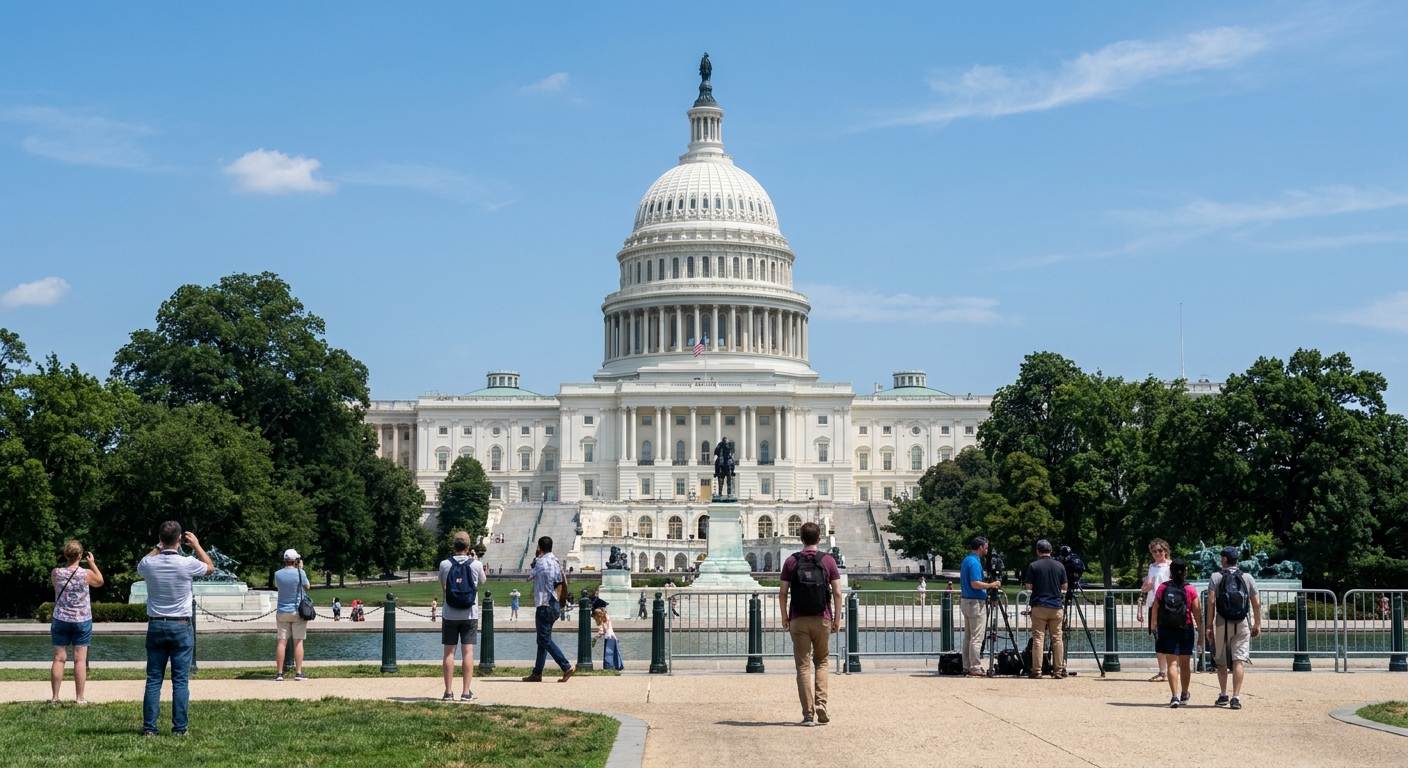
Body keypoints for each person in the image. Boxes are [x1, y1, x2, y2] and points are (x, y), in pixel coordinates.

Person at [137, 522, 214, 737]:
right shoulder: (187, 563)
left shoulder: (149, 564)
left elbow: (143, 563)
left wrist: (158, 546)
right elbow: (210, 568)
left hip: (155, 623)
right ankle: (180, 728)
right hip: (180, 624)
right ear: (180, 539)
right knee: (180, 681)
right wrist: (197, 545)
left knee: (154, 679)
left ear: (160, 539)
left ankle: (150, 728)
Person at [779, 522, 843, 725]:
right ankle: (821, 704)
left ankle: (807, 715)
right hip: (822, 617)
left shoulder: (791, 561)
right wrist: (837, 619)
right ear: (819, 539)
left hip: (798, 618)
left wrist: (784, 617)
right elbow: (838, 593)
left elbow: (782, 594)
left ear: (800, 539)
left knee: (803, 667)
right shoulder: (828, 561)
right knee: (822, 661)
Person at [50, 540, 104, 704]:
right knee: (79, 660)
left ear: (66, 555)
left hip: (60, 618)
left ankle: (55, 697)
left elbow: (56, 588)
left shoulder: (56, 572)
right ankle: (79, 698)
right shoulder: (85, 574)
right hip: (82, 619)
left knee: (59, 659)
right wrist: (92, 563)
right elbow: (100, 581)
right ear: (80, 555)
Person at [1207, 546, 1261, 710]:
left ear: (1224, 559)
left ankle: (1223, 694)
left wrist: (1209, 625)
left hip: (1223, 621)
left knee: (1221, 659)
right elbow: (1256, 603)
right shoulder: (1247, 577)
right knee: (1238, 659)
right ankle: (1236, 697)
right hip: (1242, 621)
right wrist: (1257, 623)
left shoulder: (1216, 577)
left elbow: (1210, 602)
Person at [439, 531, 485, 701]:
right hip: (469, 613)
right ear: (468, 547)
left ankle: (448, 692)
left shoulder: (445, 564)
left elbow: (444, 586)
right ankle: (466, 692)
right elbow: (482, 581)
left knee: (449, 652)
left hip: (450, 613)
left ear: (454, 546)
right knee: (468, 652)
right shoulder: (476, 565)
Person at [1150, 559, 1201, 708]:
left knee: (1171, 663)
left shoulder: (1163, 588)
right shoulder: (1190, 589)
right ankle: (1185, 693)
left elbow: (1155, 608)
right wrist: (1201, 630)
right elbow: (1197, 612)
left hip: (1167, 627)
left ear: (1170, 572)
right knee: (1185, 664)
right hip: (1185, 627)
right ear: (1185, 572)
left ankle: (1174, 696)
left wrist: (1154, 625)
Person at [522, 536, 573, 683]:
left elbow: (528, 578)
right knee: (542, 639)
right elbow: (558, 580)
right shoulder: (556, 562)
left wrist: (535, 561)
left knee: (544, 639)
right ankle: (537, 673)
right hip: (554, 604)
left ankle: (566, 666)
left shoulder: (540, 563)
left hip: (544, 605)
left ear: (539, 547)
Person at [1022, 539, 1067, 679]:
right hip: (1056, 606)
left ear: (1037, 551)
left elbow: (1028, 586)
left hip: (1039, 606)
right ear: (1051, 551)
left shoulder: (1033, 566)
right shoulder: (1059, 566)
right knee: (1057, 638)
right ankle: (1058, 670)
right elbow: (1064, 586)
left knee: (1038, 639)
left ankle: (1037, 671)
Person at [960, 537, 1000, 677]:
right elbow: (975, 583)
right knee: (976, 637)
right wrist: (991, 585)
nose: (987, 550)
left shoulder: (966, 560)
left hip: (966, 601)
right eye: (986, 547)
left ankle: (966, 665)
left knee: (968, 636)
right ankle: (975, 667)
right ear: (981, 547)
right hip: (975, 603)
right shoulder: (975, 562)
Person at [1139, 538, 1173, 682]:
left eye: (1160, 550)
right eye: (1154, 551)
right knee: (1158, 636)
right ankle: (1162, 671)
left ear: (1165, 551)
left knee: (1171, 636)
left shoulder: (1171, 565)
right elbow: (1145, 588)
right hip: (1154, 603)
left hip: (1169, 603)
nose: (1157, 553)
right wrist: (1148, 587)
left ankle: (1172, 668)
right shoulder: (1152, 567)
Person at [273, 549, 310, 681]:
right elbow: (307, 586)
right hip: (297, 611)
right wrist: (300, 569)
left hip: (282, 610)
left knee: (281, 642)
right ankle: (298, 672)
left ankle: (279, 673)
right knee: (298, 642)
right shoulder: (300, 573)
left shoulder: (278, 574)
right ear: (296, 561)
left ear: (285, 560)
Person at [593, 605, 624, 671]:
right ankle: (617, 666)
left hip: (608, 638)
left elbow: (601, 631)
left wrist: (595, 637)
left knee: (608, 654)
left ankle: (609, 667)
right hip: (613, 637)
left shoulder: (602, 621)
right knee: (615, 653)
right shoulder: (607, 618)